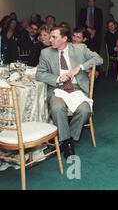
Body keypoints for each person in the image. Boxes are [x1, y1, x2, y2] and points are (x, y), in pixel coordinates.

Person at [36, 26, 103, 159]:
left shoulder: (80, 48)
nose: (50, 39)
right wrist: (57, 78)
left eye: (54, 37)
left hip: (77, 89)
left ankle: (67, 139)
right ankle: (67, 143)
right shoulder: (46, 53)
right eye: (50, 36)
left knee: (85, 110)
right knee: (57, 107)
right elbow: (39, 74)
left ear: (65, 39)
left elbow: (99, 59)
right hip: (58, 89)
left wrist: (80, 67)